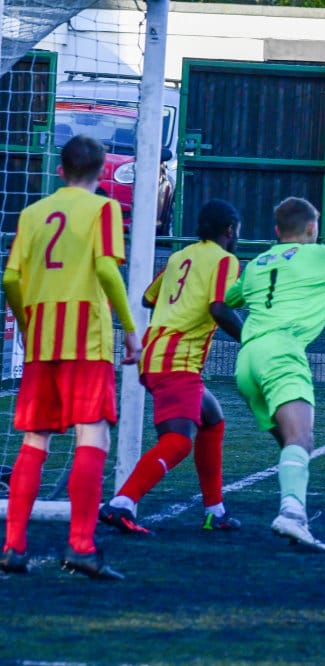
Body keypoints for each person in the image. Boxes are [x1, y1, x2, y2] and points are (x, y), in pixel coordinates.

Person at [0, 135, 142, 580]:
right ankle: (81, 545)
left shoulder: (32, 213)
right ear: (102, 172)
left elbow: (9, 279)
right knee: (92, 435)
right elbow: (105, 269)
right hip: (85, 336)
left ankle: (12, 546)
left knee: (35, 439)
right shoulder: (104, 208)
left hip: (43, 336)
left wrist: (28, 325)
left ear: (60, 171)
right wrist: (130, 329)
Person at [224, 196, 325, 553]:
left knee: (292, 443)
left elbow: (229, 298)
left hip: (247, 359)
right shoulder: (322, 257)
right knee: (301, 439)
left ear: (277, 230)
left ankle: (295, 511)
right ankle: (291, 514)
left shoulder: (257, 263)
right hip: (282, 353)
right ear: (313, 228)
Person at [98, 200, 245, 536]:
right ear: (229, 230)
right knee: (178, 442)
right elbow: (219, 309)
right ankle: (121, 504)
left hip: (156, 351)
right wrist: (252, 339)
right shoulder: (225, 260)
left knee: (212, 419)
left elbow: (148, 298)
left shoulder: (180, 256)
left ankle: (215, 511)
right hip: (176, 358)